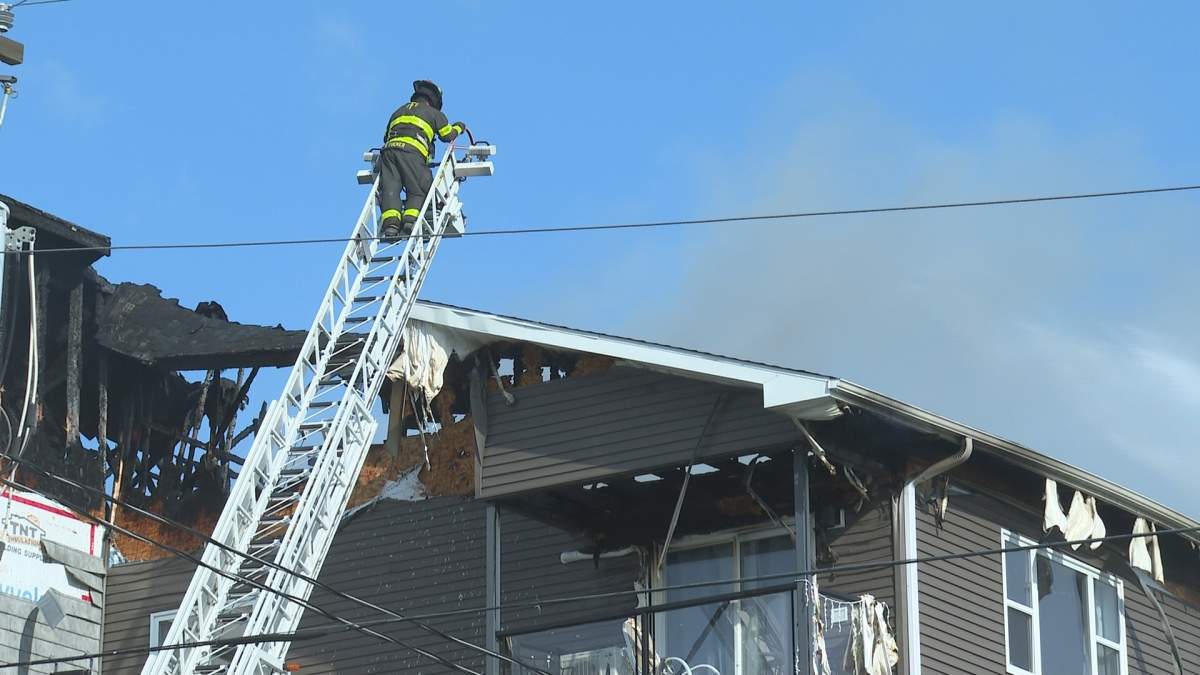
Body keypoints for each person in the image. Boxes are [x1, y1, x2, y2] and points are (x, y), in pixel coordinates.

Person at [378, 80, 467, 240]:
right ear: (434, 101)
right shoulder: (434, 114)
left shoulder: (398, 111)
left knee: (390, 189)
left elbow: (385, 136)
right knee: (419, 189)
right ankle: (410, 222)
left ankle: (391, 225)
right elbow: (447, 135)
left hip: (389, 154)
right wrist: (460, 127)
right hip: (412, 154)